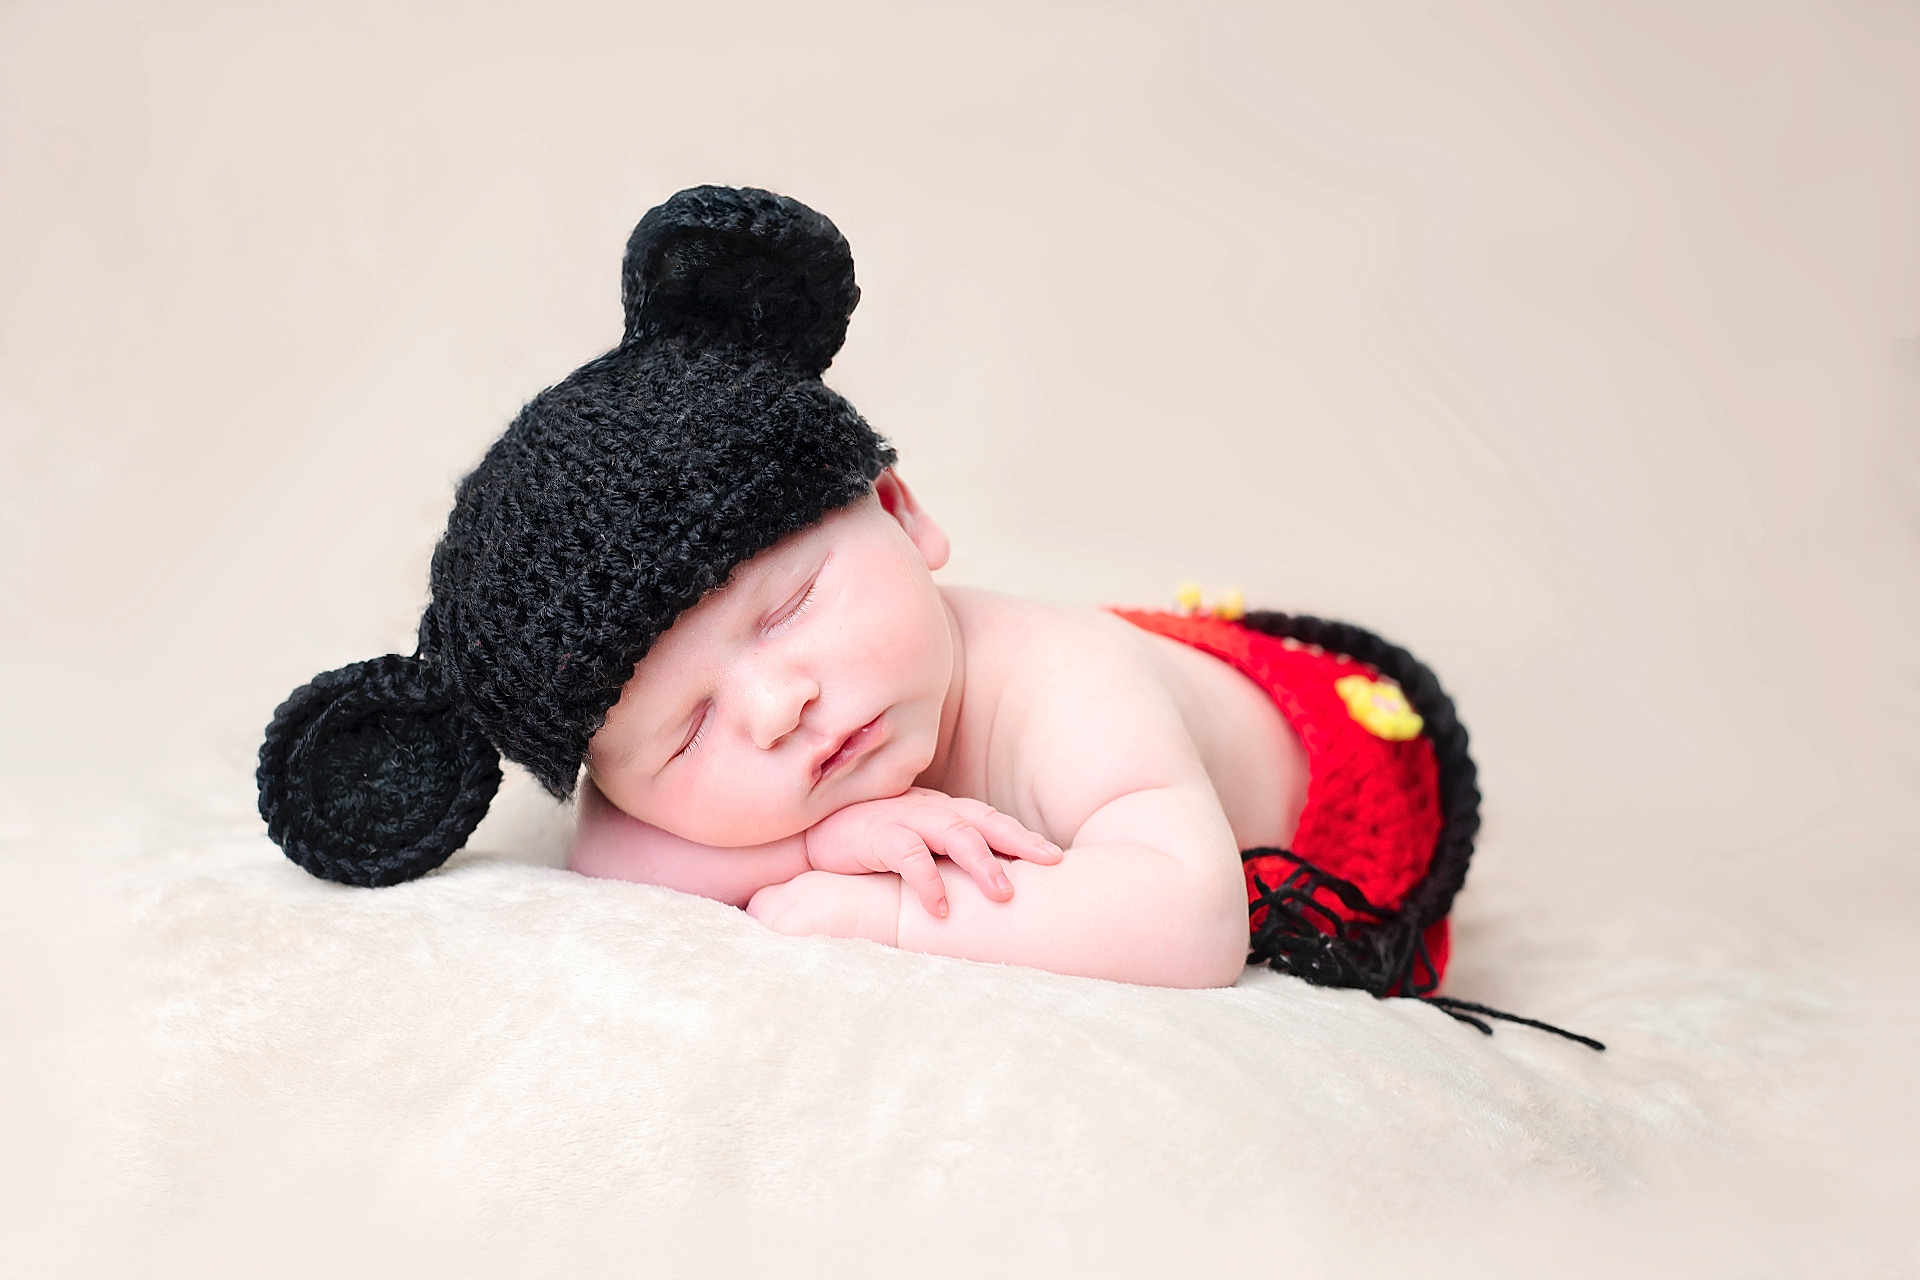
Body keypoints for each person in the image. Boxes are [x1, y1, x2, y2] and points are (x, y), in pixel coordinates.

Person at [256, 184, 1599, 1042]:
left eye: (787, 610)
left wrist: (879, 911)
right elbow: (609, 856)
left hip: (1327, 764)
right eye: (683, 735)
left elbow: (1192, 922)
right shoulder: (716, 775)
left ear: (902, 516)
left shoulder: (1065, 687)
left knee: (1141, 707)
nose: (776, 706)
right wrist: (833, 836)